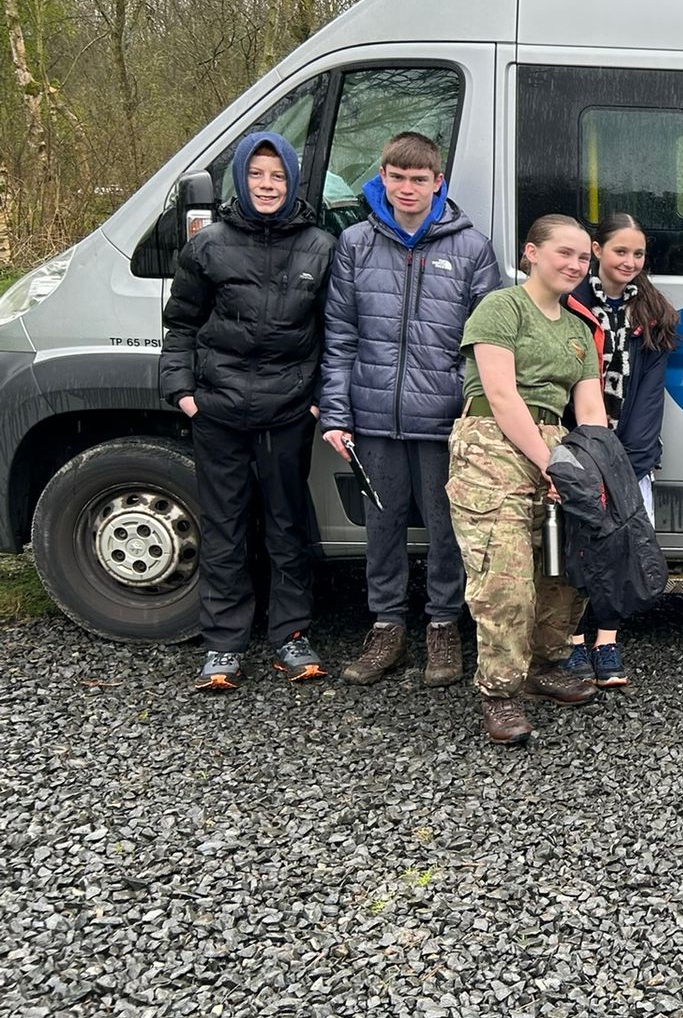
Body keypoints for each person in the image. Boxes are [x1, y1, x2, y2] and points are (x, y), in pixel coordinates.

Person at [318, 131, 503, 690]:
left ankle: (444, 627)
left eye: (418, 179)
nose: (406, 189)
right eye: (396, 177)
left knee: (447, 527)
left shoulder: (472, 249)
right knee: (383, 525)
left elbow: (485, 345)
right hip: (372, 414)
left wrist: (474, 414)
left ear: (438, 182)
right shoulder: (354, 243)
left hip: (444, 419)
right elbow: (340, 334)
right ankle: (387, 627)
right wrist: (334, 412)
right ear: (382, 177)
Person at [159, 132, 335, 692]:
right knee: (225, 526)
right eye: (257, 175)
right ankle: (224, 644)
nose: (267, 185)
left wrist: (317, 399)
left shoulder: (319, 245)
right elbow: (181, 324)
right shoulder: (207, 245)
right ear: (241, 179)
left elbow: (335, 333)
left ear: (292, 181)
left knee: (287, 524)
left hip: (288, 411)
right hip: (218, 408)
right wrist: (182, 391)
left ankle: (291, 636)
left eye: (277, 176)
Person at [447, 214, 611, 746]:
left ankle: (545, 666)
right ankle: (500, 693)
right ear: (531, 253)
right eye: (564, 252)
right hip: (493, 443)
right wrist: (548, 462)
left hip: (557, 446)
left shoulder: (580, 329)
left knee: (564, 571)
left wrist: (594, 469)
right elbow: (500, 394)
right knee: (506, 579)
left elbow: (589, 408)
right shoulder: (501, 308)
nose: (574, 264)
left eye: (583, 257)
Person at [563, 212, 680, 686]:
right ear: (596, 250)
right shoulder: (569, 302)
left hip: (626, 452)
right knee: (572, 547)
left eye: (638, 254)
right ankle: (569, 640)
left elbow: (650, 396)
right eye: (620, 251)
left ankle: (607, 640)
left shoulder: (652, 313)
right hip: (575, 449)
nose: (629, 261)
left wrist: (630, 462)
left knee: (618, 549)